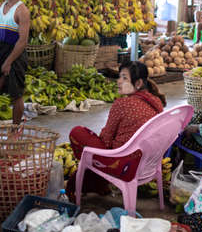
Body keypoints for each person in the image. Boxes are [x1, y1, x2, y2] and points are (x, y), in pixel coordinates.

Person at [66, 61, 166, 198]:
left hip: (122, 165)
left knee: (77, 132)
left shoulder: (122, 104)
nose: (118, 81)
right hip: (148, 163)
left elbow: (106, 141)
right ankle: (97, 184)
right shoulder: (156, 102)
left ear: (138, 84)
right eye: (119, 77)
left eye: (124, 78)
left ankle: (93, 182)